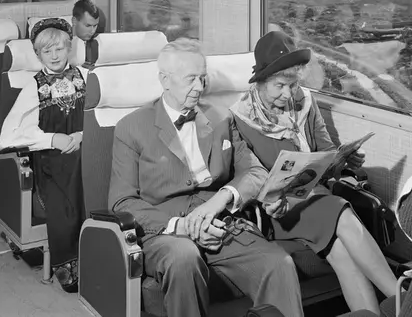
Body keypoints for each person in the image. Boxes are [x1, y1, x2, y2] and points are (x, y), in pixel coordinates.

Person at [109, 38, 305, 317]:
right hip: (166, 233)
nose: (200, 87)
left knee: (279, 264)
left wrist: (221, 199)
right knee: (183, 258)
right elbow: (122, 201)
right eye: (190, 79)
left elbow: (255, 172)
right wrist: (181, 226)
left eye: (202, 78)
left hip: (220, 223)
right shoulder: (131, 127)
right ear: (165, 80)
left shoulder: (221, 117)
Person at [230, 31, 397, 315]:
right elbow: (246, 177)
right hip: (275, 210)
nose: (288, 94)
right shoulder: (239, 117)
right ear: (261, 82)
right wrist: (272, 199)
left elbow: (326, 152)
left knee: (342, 254)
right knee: (340, 210)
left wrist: (345, 161)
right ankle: (405, 300)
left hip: (314, 196)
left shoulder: (305, 102)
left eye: (293, 84)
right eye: (279, 86)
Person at [0, 18, 87, 293]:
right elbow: (7, 137)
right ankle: (70, 264)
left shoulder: (85, 76)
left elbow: (100, 117)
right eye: (47, 51)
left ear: (69, 48)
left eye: (59, 49)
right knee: (68, 181)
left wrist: (82, 135)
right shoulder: (33, 87)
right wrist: (52, 139)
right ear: (38, 55)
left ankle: (101, 255)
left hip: (84, 150)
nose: (55, 56)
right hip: (50, 160)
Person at [71, 0, 106, 67]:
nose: (93, 31)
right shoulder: (61, 45)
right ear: (74, 21)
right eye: (88, 26)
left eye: (95, 26)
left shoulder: (96, 44)